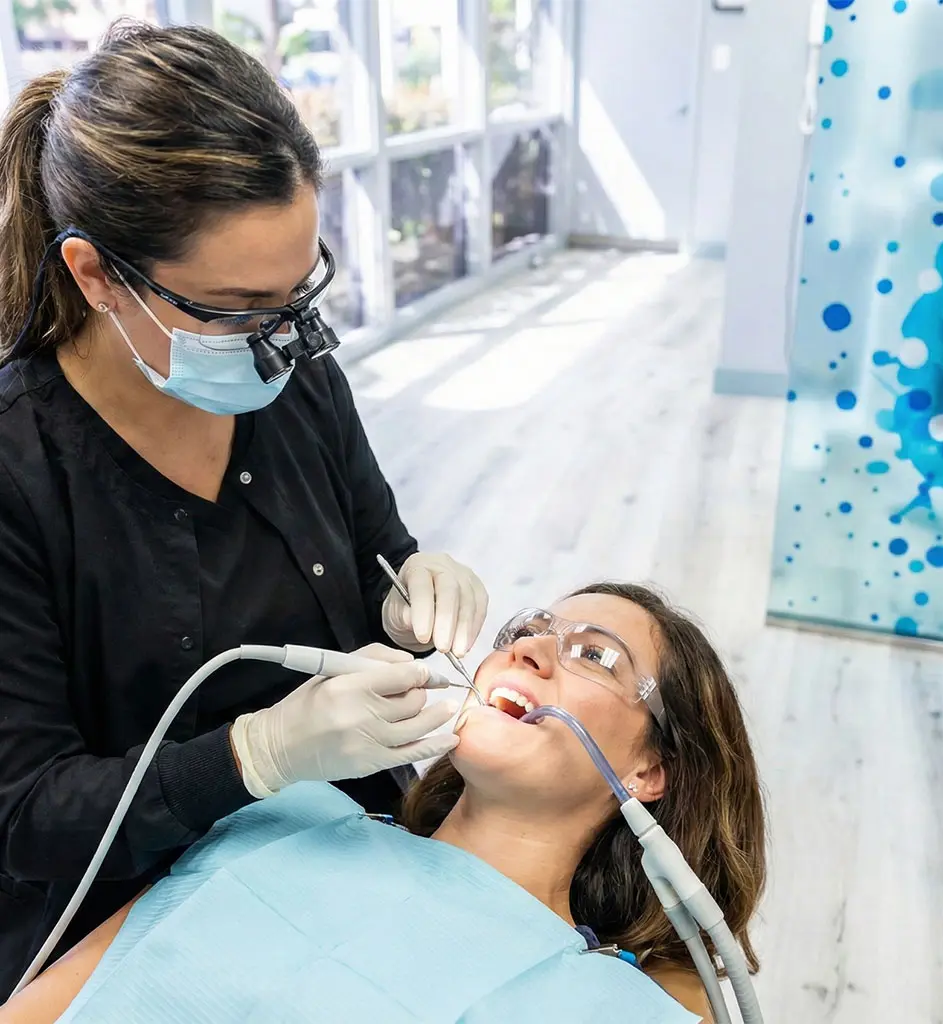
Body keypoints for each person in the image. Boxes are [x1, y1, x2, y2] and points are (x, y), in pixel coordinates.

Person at [0, 21, 488, 998]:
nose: (283, 338)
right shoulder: (21, 472)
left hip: (340, 853)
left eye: (297, 290)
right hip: (130, 916)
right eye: (234, 309)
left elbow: (375, 549)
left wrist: (406, 587)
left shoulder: (295, 381)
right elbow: (25, 811)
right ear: (96, 275)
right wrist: (257, 755)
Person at [0, 583, 767, 1023]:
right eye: (528, 629)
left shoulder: (616, 1007)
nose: (532, 647)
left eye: (595, 656)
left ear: (648, 773)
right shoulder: (287, 817)